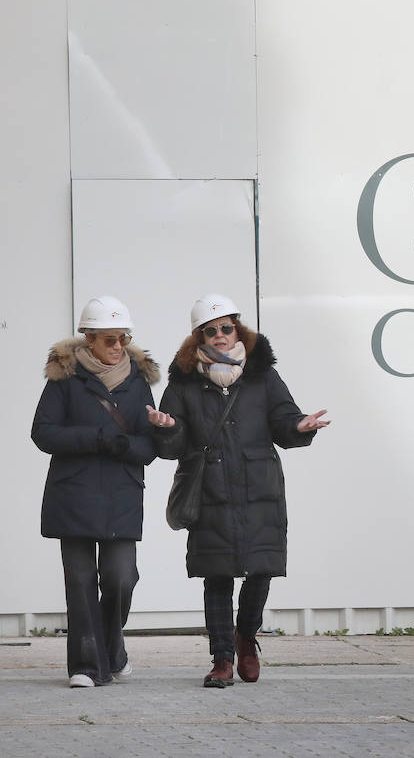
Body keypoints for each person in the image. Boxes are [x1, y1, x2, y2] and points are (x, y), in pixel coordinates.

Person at [146, 294, 328, 688]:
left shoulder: (263, 374)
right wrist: (167, 428)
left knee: (261, 571)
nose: (220, 336)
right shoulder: (183, 380)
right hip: (211, 490)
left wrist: (299, 427)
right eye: (211, 331)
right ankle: (222, 660)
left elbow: (283, 419)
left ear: (237, 329)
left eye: (226, 328)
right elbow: (173, 446)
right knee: (217, 575)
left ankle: (246, 638)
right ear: (199, 338)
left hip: (259, 489)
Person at [32, 296, 160, 688]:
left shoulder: (139, 384)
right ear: (88, 339)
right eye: (109, 339)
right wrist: (98, 437)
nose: (118, 346)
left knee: (121, 579)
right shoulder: (64, 381)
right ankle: (86, 666)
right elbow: (43, 433)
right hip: (73, 496)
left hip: (121, 495)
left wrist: (126, 445)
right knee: (80, 581)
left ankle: (112, 648)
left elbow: (150, 445)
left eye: (123, 338)